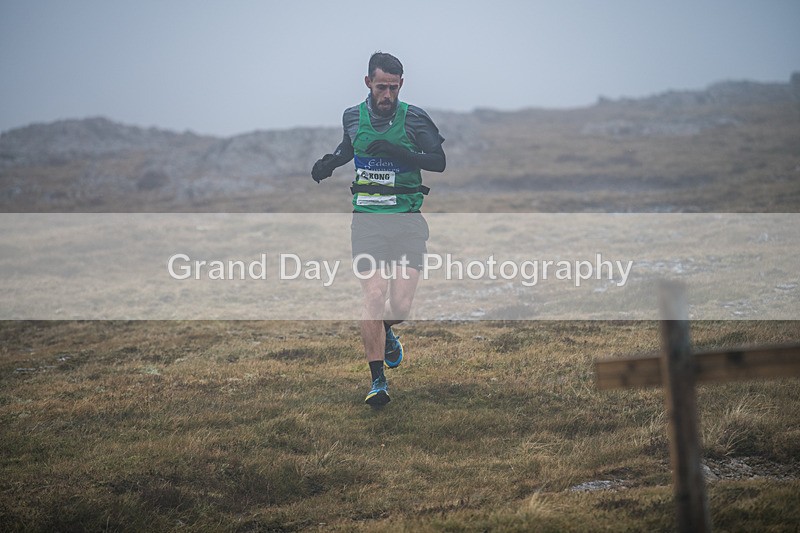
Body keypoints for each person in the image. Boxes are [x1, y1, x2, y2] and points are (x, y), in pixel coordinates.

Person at [311, 52, 446, 406]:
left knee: (399, 306)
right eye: (381, 87)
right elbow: (349, 147)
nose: (387, 95)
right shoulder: (352, 116)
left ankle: (386, 331)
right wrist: (330, 163)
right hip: (367, 220)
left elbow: (439, 162)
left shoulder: (414, 118)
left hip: (406, 221)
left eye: (393, 88)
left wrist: (400, 152)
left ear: (401, 84)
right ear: (368, 82)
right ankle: (377, 382)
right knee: (374, 294)